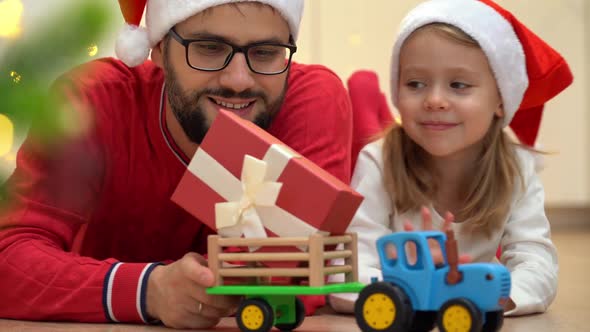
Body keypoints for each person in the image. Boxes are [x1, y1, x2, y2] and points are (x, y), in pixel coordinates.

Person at [0, 0, 353, 329]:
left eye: (265, 53)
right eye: (209, 48)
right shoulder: (95, 101)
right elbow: (8, 261)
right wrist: (148, 290)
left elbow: (305, 272)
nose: (238, 81)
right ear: (157, 48)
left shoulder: (310, 98)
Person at [328, 0, 573, 317]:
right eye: (415, 84)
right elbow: (344, 273)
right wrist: (413, 287)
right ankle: (365, 102)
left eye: (459, 85)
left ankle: (365, 99)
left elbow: (536, 262)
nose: (434, 100)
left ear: (500, 98)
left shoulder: (517, 168)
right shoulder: (379, 162)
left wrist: (489, 297)